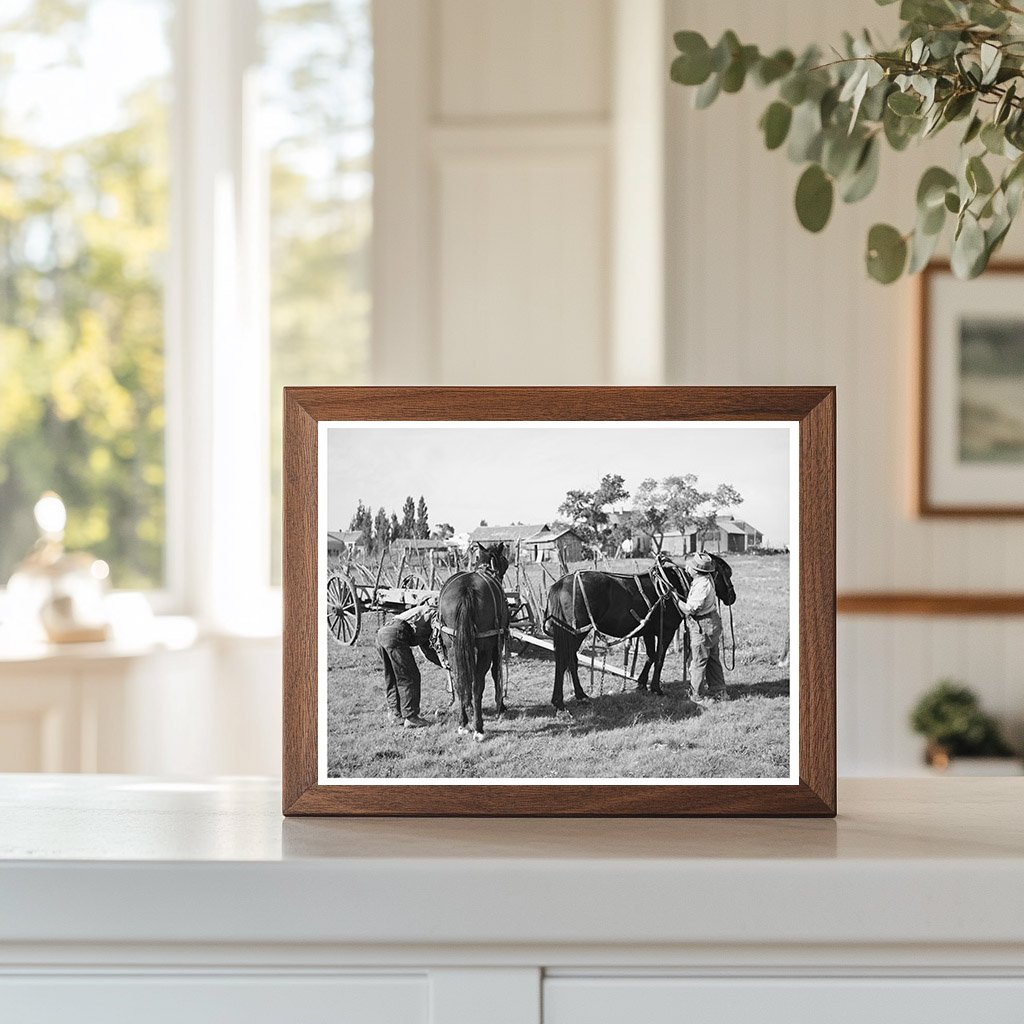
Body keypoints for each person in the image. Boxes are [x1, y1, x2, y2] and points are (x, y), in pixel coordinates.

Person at [375, 597, 441, 728]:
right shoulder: (433, 613)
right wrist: (444, 663)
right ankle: (411, 717)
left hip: (382, 634)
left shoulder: (418, 612)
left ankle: (395, 714)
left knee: (393, 676)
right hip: (396, 634)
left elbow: (426, 647)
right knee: (409, 676)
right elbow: (432, 644)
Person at [683, 552, 728, 702]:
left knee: (698, 661)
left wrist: (677, 601)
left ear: (696, 570)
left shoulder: (701, 585)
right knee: (713, 658)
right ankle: (719, 691)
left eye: (690, 566)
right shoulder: (706, 579)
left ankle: (697, 696)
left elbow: (692, 609)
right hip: (711, 622)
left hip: (703, 625)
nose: (687, 568)